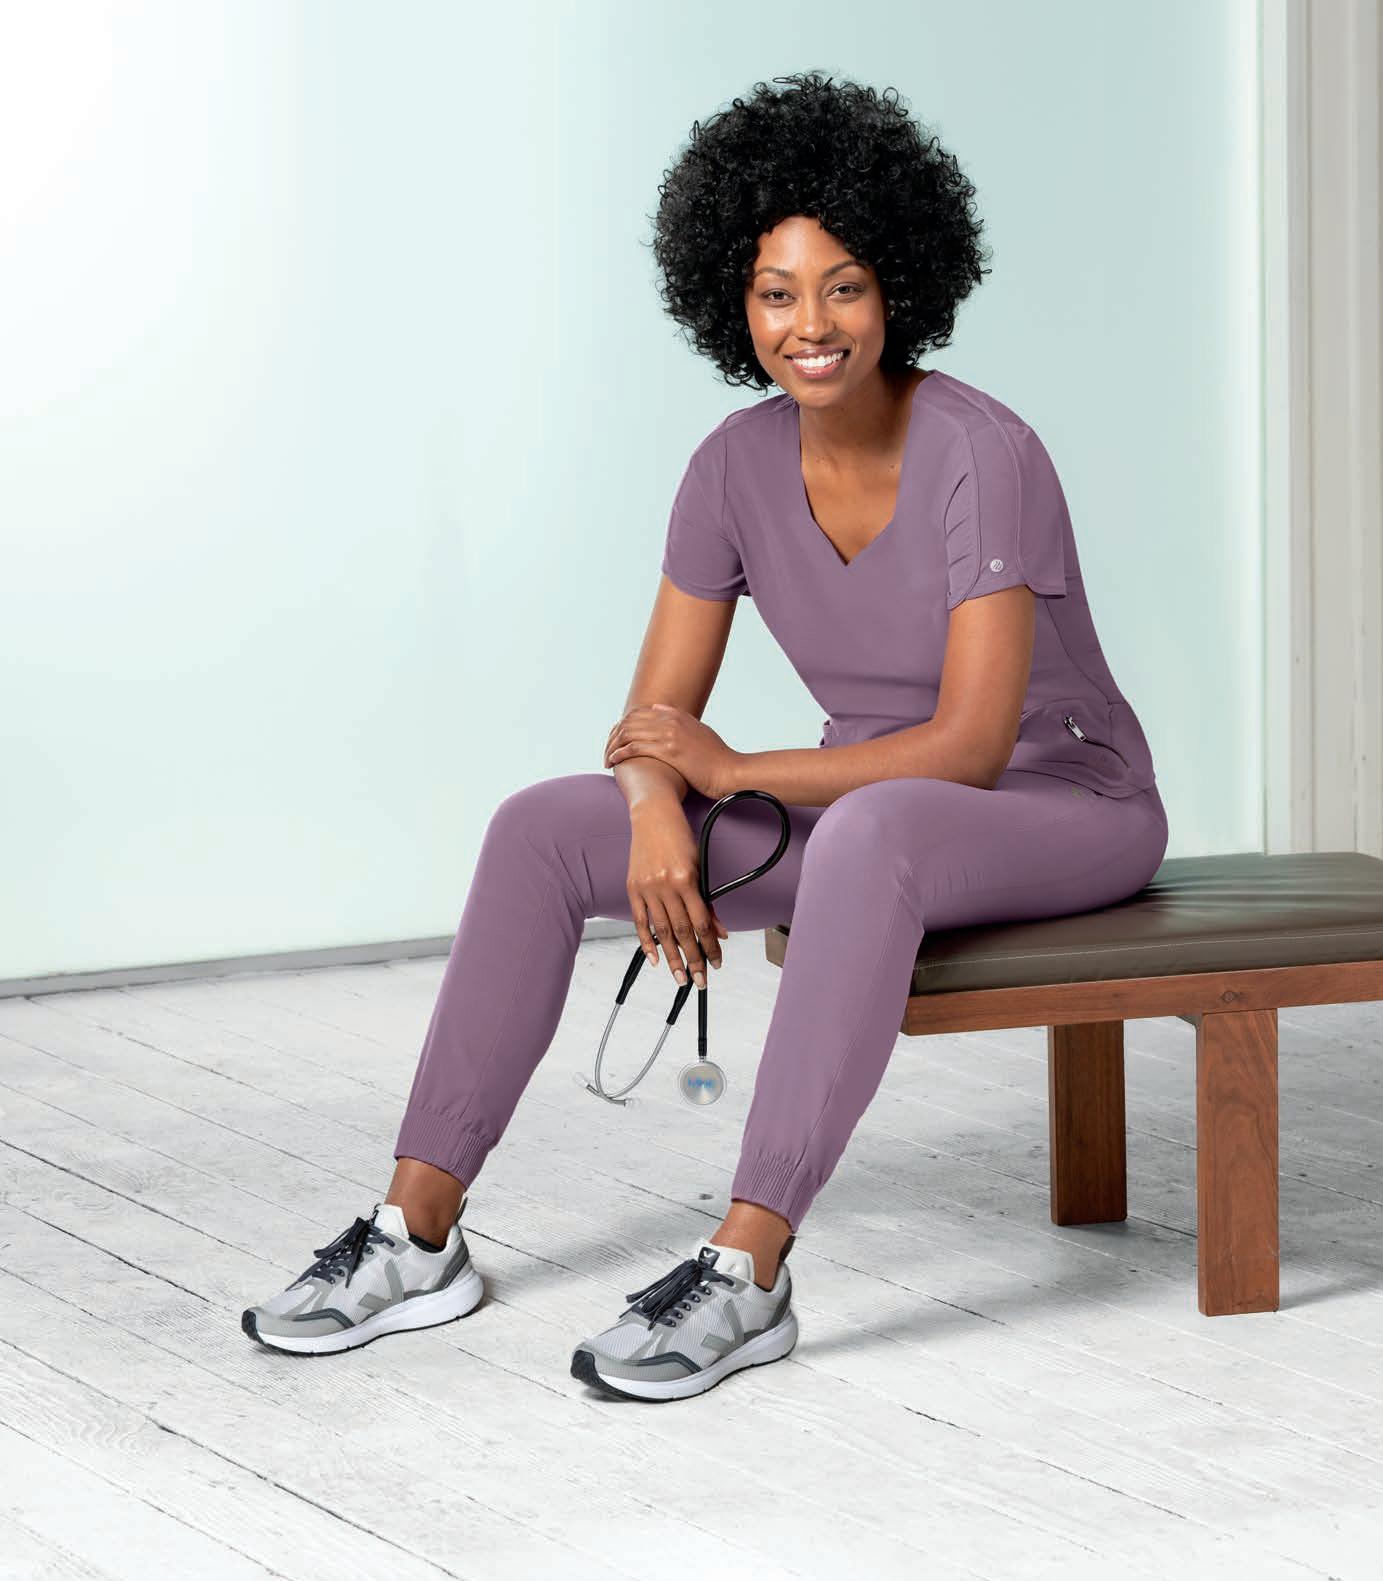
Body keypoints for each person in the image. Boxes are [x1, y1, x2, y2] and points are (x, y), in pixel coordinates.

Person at [242, 72, 1167, 1401]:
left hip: (1061, 804)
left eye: (843, 287)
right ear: (731, 303)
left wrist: (725, 774)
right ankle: (414, 1233)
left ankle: (746, 1268)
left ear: (898, 287)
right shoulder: (729, 467)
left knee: (878, 830)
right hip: (864, 811)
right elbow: (651, 726)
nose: (811, 325)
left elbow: (968, 747)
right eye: (777, 293)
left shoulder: (983, 451)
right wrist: (651, 815)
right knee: (540, 828)